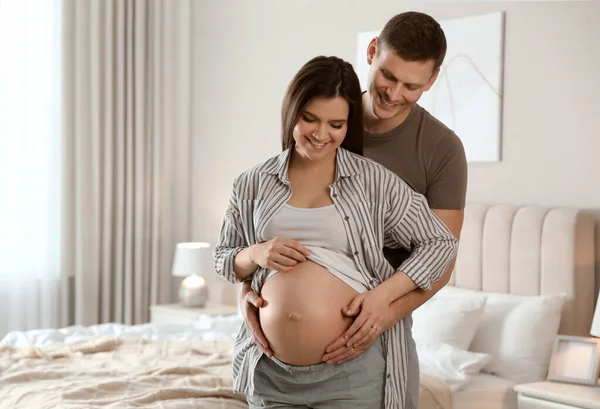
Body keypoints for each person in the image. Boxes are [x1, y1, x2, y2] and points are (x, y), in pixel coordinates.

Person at [239, 11, 468, 409]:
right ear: (372, 52)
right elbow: (262, 227)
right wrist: (246, 289)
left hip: (368, 348)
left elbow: (440, 257)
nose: (395, 93)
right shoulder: (321, 122)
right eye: (388, 76)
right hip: (275, 370)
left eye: (412, 85)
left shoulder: (441, 149)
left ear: (432, 82)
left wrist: (382, 309)